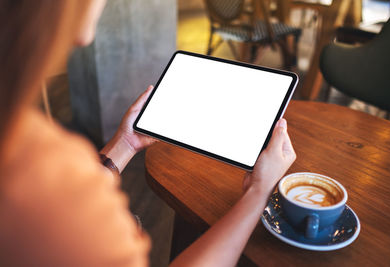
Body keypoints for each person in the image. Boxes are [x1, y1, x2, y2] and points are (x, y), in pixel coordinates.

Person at [0, 0, 296, 266]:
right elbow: (66, 203)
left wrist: (124, 145)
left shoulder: (25, 139)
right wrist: (258, 192)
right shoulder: (39, 176)